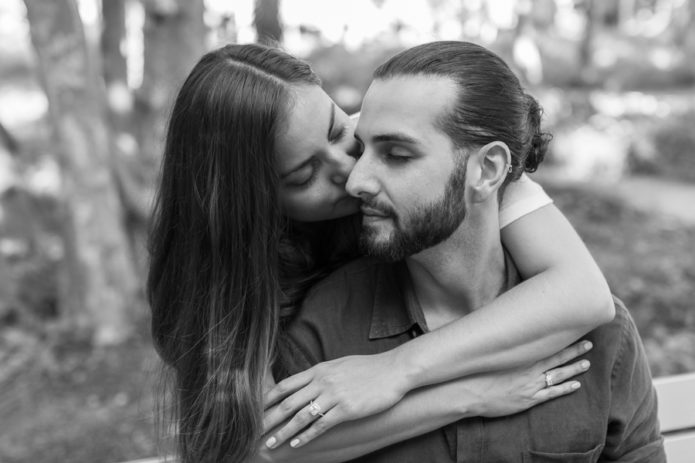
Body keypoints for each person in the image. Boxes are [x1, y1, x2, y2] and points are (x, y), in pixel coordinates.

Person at [147, 43, 614, 463]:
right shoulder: (216, 284)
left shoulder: (449, 169)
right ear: (253, 204)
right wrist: (468, 395)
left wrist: (396, 369)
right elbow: (262, 447)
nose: (352, 172)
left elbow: (583, 294)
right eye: (304, 175)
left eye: (336, 131)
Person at [274, 41, 665, 462]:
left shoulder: (598, 338)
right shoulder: (320, 338)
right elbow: (262, 451)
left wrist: (396, 370)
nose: (355, 180)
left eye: (397, 155)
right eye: (363, 147)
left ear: (489, 170)